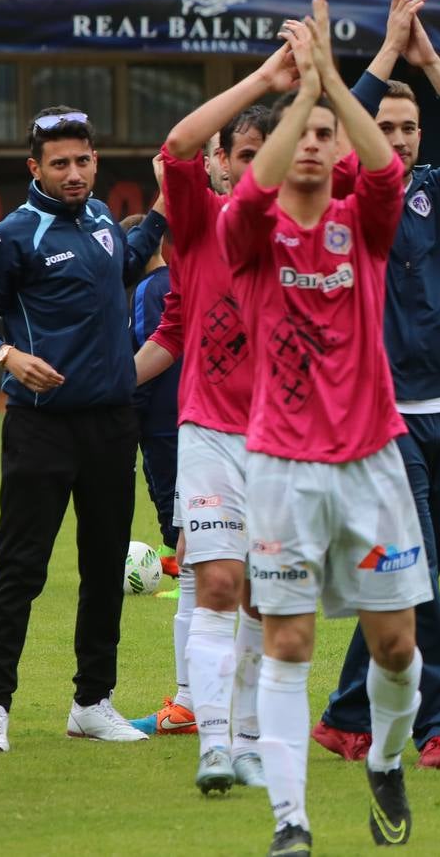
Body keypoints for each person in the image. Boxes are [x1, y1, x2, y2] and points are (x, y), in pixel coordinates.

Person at [219, 0, 429, 852]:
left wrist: (334, 85)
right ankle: (291, 821)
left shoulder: (363, 224)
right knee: (290, 640)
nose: (312, 144)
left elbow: (385, 173)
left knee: (394, 650)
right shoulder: (252, 231)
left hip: (371, 462)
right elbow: (253, 182)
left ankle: (384, 758)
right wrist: (301, 94)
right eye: (299, 133)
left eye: (323, 135)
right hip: (280, 466)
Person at [312, 0, 440, 771]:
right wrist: (384, 55)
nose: (401, 139)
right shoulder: (351, 195)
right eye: (385, 127)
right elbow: (346, 120)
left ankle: (349, 712)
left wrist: (432, 66)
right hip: (385, 415)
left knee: (418, 568)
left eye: (410, 129)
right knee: (413, 557)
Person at [128, 44, 298, 791]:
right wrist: (264, 80)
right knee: (219, 584)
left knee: (267, 595)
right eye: (246, 154)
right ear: (226, 161)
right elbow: (177, 147)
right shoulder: (198, 219)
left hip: (286, 441)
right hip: (208, 434)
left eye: (272, 154)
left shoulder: (306, 223)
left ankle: (255, 739)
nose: (256, 167)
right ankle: (215, 744)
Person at [0, 107, 166, 751]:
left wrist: (166, 203)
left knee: (104, 566)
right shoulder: (12, 235)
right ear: (35, 168)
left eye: (83, 160)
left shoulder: (104, 223)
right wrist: (6, 355)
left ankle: (92, 702)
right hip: (40, 429)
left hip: (112, 425)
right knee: (20, 569)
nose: (75, 172)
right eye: (59, 163)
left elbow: (127, 261)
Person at [124, 215, 182, 571]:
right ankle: (179, 563)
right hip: (189, 410)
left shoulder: (148, 289)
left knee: (168, 492)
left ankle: (183, 572)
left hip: (162, 417)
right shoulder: (180, 280)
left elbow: (151, 347)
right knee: (186, 494)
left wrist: (133, 414)